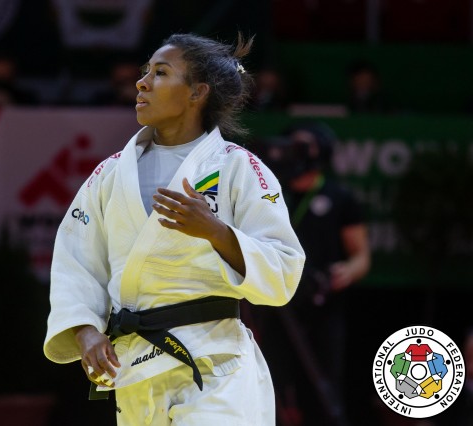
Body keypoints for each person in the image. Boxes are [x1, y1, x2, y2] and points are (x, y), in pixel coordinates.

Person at [43, 32, 305, 425]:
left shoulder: (237, 167)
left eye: (160, 73)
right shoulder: (111, 173)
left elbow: (284, 268)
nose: (142, 82)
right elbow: (76, 260)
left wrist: (216, 231)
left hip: (215, 364)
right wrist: (86, 332)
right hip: (133, 366)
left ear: (198, 92)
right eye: (145, 71)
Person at [251, 121, 371, 426]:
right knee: (271, 382)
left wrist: (348, 271)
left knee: (321, 387)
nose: (296, 153)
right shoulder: (270, 196)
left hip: (322, 305)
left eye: (304, 146)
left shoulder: (340, 197)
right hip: (275, 305)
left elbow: (361, 256)